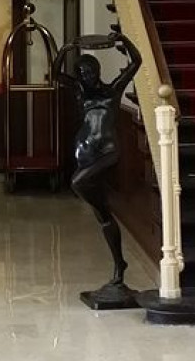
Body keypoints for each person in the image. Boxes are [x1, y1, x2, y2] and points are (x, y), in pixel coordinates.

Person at [55, 32, 141, 306]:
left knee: (77, 183)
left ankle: (119, 266)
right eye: (81, 73)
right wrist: (66, 48)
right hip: (85, 155)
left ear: (98, 71)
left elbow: (136, 62)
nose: (86, 77)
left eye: (90, 72)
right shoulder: (80, 91)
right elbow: (55, 74)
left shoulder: (112, 90)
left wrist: (123, 41)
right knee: (103, 214)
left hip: (107, 153)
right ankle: (119, 266)